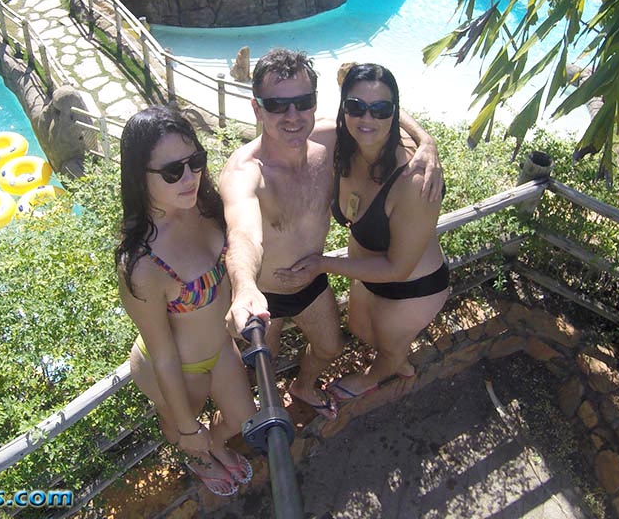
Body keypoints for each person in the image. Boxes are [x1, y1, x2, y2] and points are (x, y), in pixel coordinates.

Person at [221, 49, 442, 421]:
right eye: (277, 105)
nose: (292, 116)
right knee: (262, 364)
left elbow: (377, 105)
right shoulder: (246, 172)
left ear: (315, 105)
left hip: (312, 281)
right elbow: (243, 233)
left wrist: (426, 140)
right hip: (265, 293)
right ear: (257, 109)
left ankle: (303, 387)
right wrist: (244, 288)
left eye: (302, 102)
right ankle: (271, 406)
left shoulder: (329, 138)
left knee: (330, 348)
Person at [278, 64, 450, 400]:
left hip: (411, 284)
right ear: (344, 107)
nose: (367, 119)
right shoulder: (344, 143)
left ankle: (378, 374)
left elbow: (397, 268)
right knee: (360, 329)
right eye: (356, 107)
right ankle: (398, 362)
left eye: (381, 110)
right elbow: (278, 140)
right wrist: (427, 136)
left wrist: (323, 263)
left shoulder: (414, 181)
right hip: (368, 274)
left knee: (389, 346)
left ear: (393, 112)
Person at [116, 107, 255, 497]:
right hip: (176, 366)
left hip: (221, 349)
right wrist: (190, 429)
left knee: (244, 419)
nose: (190, 177)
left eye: (195, 162)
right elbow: (163, 355)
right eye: (172, 172)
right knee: (180, 428)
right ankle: (198, 455)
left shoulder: (205, 206)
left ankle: (215, 443)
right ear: (139, 178)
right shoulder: (142, 263)